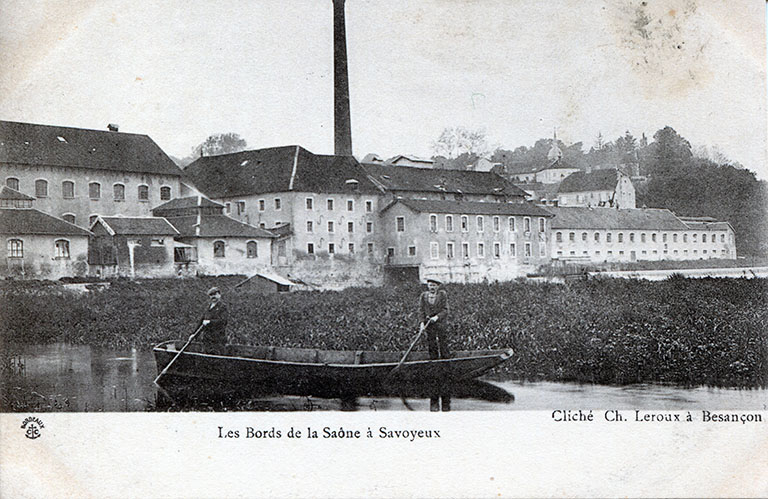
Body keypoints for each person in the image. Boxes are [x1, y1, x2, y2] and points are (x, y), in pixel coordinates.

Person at [419, 278, 451, 411]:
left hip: (439, 323)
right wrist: (422, 323)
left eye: (434, 285)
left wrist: (436, 317)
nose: (431, 287)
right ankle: (433, 361)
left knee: (443, 342)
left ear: (437, 286)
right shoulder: (423, 296)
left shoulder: (442, 295)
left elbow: (445, 310)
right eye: (430, 285)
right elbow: (421, 310)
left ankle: (445, 361)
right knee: (431, 343)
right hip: (428, 324)